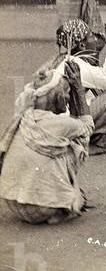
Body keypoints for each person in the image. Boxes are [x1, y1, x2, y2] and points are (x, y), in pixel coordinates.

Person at [0, 63, 93, 224]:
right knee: (76, 147)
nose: (68, 98)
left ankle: (51, 193)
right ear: (58, 97)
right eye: (67, 93)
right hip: (41, 210)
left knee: (59, 147)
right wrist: (78, 88)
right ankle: (60, 205)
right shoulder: (60, 124)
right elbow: (87, 127)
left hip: (12, 202)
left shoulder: (25, 113)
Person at [50, 18, 106, 154]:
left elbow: (105, 80)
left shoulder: (70, 59)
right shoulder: (80, 66)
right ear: (82, 45)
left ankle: (91, 137)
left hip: (58, 125)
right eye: (91, 36)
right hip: (64, 128)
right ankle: (81, 140)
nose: (96, 38)